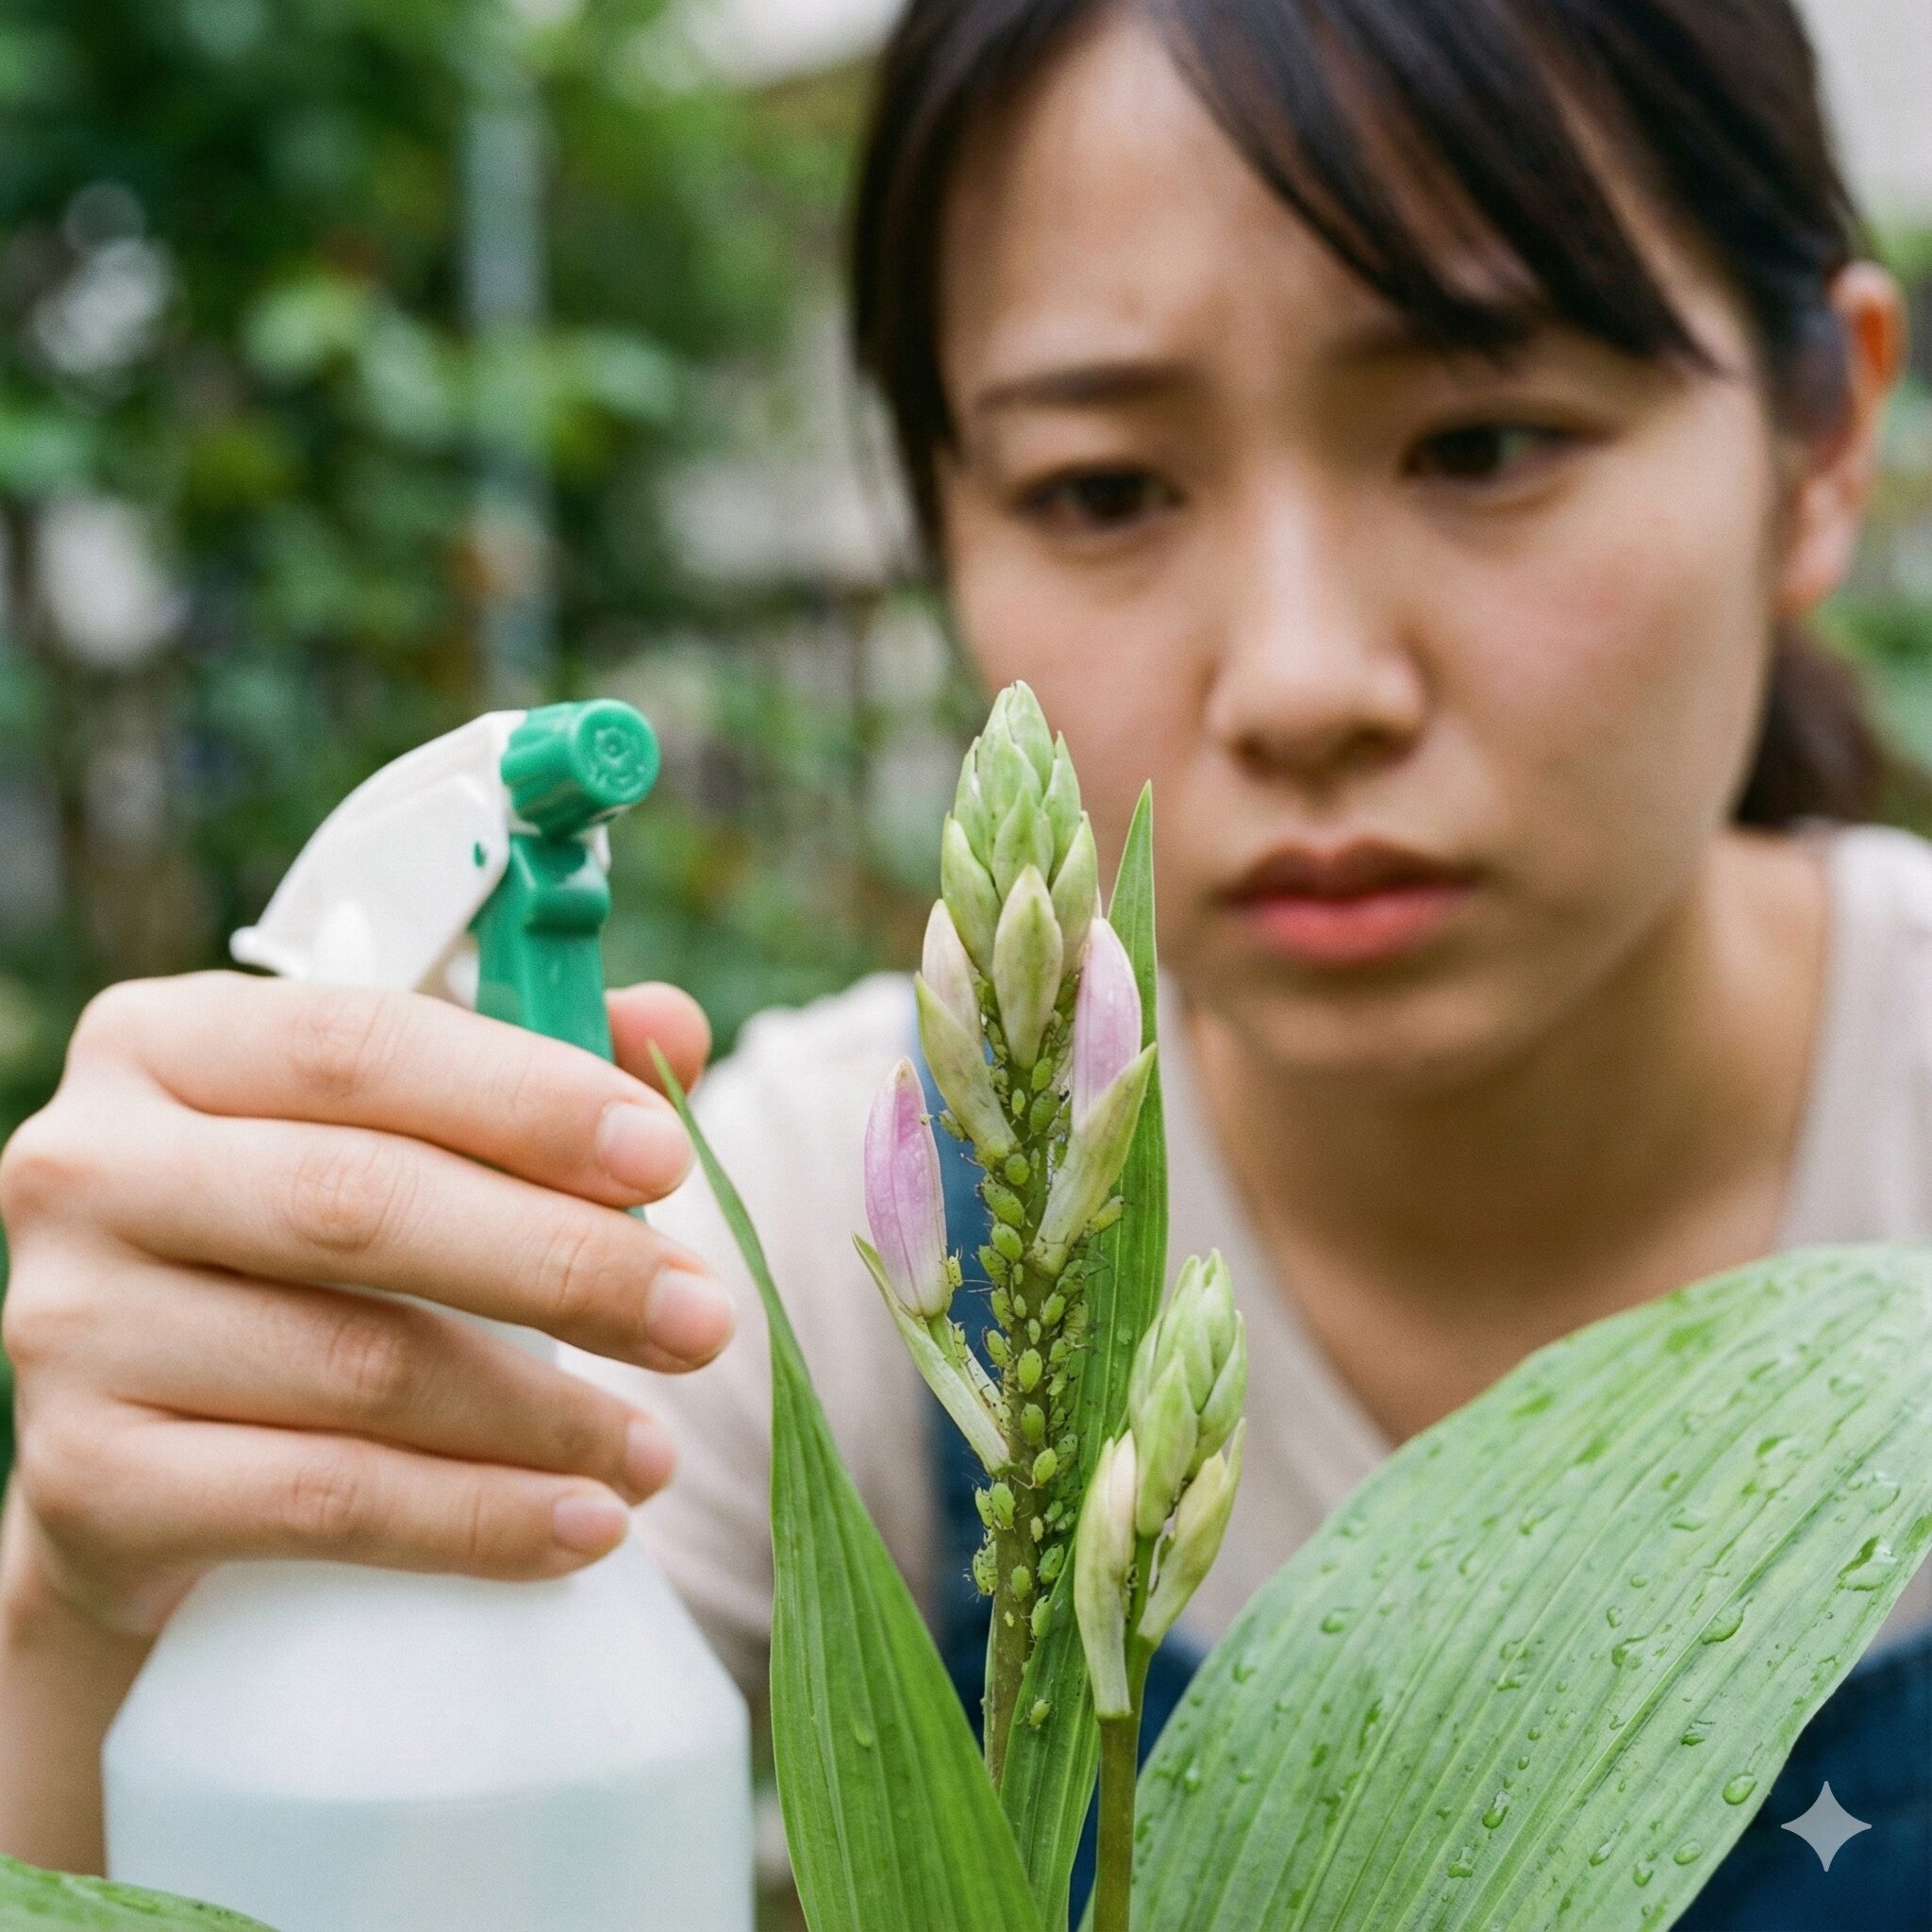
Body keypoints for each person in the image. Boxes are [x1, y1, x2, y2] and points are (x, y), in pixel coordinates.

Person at [1, 0, 1927, 1920]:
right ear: (941, 528)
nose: (1305, 680)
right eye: (1101, 489)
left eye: (1482, 441)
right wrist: (118, 1601)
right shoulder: (779, 1246)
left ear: (1819, 436)